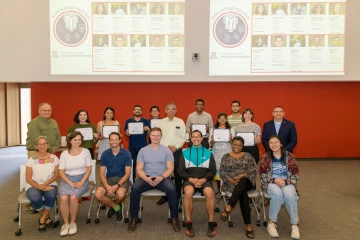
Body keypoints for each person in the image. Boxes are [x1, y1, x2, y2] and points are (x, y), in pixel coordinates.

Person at [127, 127, 180, 233]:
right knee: (135, 188)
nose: (155, 137)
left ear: (161, 136)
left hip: (162, 177)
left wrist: (161, 177)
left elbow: (170, 168)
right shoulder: (143, 150)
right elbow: (139, 168)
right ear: (149, 136)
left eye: (158, 135)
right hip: (146, 177)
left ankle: (174, 218)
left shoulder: (167, 151)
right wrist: (146, 178)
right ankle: (134, 218)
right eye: (153, 135)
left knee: (172, 189)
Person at [259, 135, 300, 239]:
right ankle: (271, 223)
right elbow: (262, 175)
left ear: (281, 144)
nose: (274, 144)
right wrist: (274, 180)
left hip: (287, 181)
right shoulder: (265, 157)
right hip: (271, 182)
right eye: (271, 143)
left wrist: (287, 181)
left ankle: (294, 224)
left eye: (276, 142)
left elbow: (296, 173)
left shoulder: (289, 156)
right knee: (277, 195)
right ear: (268, 145)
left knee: (290, 195)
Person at [178, 130, 217, 237]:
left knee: (209, 192)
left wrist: (203, 179)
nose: (196, 139)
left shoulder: (208, 152)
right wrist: (191, 180)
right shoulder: (185, 152)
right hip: (189, 180)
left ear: (201, 138)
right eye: (193, 137)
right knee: (188, 192)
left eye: (198, 137)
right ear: (190, 138)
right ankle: (189, 223)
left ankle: (211, 223)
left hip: (204, 180)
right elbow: (180, 171)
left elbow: (213, 170)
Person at [26, 102, 61, 214]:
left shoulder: (54, 122)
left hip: (51, 152)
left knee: (49, 174)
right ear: (39, 111)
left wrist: (55, 148)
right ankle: (36, 199)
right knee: (36, 175)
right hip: (36, 152)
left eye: (49, 110)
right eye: (44, 110)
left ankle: (42, 201)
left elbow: (58, 136)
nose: (47, 112)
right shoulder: (33, 123)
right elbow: (38, 140)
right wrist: (48, 149)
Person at [219, 137, 257, 239]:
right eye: (235, 144)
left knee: (243, 181)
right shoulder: (226, 156)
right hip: (231, 183)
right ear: (232, 144)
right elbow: (221, 171)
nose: (237, 147)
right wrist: (230, 179)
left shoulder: (248, 156)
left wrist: (241, 176)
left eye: (239, 145)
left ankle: (229, 207)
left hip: (247, 181)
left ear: (242, 146)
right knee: (242, 192)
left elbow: (254, 170)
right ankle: (248, 225)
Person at [58, 131, 92, 236]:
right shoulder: (64, 153)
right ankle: (66, 223)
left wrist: (82, 181)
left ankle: (73, 223)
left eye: (79, 140)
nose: (77, 142)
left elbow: (89, 169)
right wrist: (70, 183)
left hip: (82, 178)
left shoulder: (86, 151)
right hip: (67, 179)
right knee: (63, 198)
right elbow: (61, 172)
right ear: (70, 141)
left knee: (73, 197)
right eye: (75, 140)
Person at [95, 132, 131, 223]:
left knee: (120, 194)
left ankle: (114, 204)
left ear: (119, 141)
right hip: (109, 179)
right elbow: (102, 174)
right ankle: (116, 206)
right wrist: (106, 186)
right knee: (98, 194)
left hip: (122, 179)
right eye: (112, 140)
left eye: (116, 139)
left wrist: (117, 186)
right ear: (109, 142)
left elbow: (127, 174)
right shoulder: (105, 154)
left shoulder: (126, 153)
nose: (114, 141)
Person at [25, 136, 59, 232]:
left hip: (50, 182)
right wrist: (38, 186)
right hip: (33, 184)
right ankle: (46, 217)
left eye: (44, 144)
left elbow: (56, 175)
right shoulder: (31, 159)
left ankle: (42, 218)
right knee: (35, 197)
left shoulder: (54, 158)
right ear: (36, 146)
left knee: (51, 196)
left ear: (48, 145)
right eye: (40, 144)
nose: (42, 146)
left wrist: (45, 184)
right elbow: (28, 178)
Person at [157, 102, 186, 205]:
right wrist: (167, 146)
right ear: (165, 110)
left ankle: (178, 196)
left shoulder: (180, 121)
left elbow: (183, 137)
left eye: (173, 109)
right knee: (164, 173)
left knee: (178, 174)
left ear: (176, 111)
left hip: (177, 150)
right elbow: (158, 136)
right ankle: (164, 196)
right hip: (163, 150)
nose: (170, 110)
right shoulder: (161, 122)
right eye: (168, 109)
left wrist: (175, 147)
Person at [209, 113, 234, 197]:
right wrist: (212, 139)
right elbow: (210, 143)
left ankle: (227, 191)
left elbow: (234, 144)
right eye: (220, 118)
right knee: (218, 171)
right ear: (218, 120)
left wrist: (231, 139)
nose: (222, 120)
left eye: (224, 118)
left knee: (228, 171)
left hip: (228, 151)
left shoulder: (231, 129)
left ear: (226, 120)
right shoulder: (213, 129)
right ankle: (219, 191)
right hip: (217, 152)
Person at [124, 105, 150, 180]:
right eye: (136, 109)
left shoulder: (146, 121)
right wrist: (127, 132)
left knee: (144, 165)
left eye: (139, 110)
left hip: (143, 147)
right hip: (132, 147)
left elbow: (150, 134)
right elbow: (126, 133)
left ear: (141, 112)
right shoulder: (128, 121)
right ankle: (133, 182)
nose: (137, 111)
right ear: (133, 111)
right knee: (133, 165)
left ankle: (145, 181)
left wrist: (148, 130)